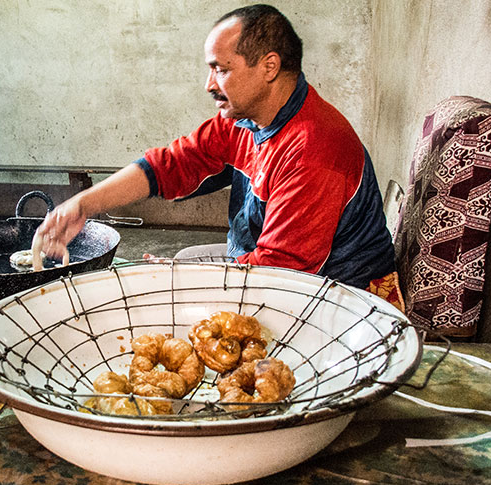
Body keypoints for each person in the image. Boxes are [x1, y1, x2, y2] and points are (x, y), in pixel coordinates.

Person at [34, 4, 398, 294]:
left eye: (220, 69)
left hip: (338, 293)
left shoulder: (314, 148)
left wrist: (190, 281)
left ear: (269, 66)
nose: (209, 84)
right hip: (267, 265)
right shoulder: (246, 119)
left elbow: (279, 274)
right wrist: (82, 205)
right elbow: (171, 165)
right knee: (176, 266)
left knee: (171, 290)